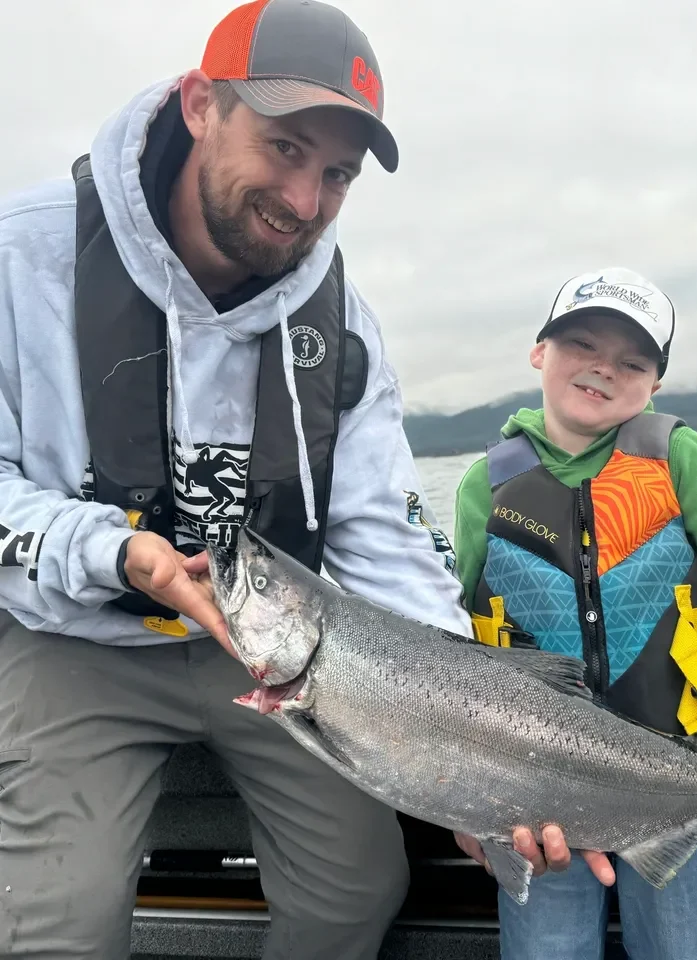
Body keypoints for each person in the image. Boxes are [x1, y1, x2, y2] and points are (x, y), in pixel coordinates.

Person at [0, 2, 473, 958]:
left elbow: (387, 547)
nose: (304, 201)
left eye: (336, 174)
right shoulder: (23, 255)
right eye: (286, 147)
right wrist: (115, 552)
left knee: (359, 890)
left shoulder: (344, 331)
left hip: (269, 646)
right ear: (201, 103)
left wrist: (464, 754)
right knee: (57, 926)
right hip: (68, 633)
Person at [451, 267, 697, 959]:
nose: (603, 369)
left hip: (683, 783)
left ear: (655, 385)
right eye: (581, 344)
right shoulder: (484, 486)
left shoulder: (678, 458)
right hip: (533, 796)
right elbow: (450, 639)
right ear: (539, 352)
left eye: (632, 361)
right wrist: (466, 801)